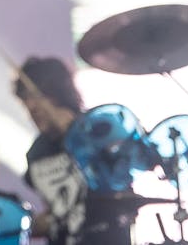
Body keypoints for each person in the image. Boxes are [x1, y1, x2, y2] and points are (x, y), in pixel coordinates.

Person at [14, 56, 134, 245]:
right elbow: (58, 212)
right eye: (25, 100)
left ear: (57, 92)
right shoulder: (37, 152)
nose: (31, 107)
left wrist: (76, 134)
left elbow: (124, 193)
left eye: (35, 96)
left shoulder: (99, 129)